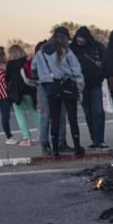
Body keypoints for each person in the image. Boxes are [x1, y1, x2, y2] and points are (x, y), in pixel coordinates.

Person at [34, 27, 85, 156]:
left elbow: (33, 68)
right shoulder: (67, 52)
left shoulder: (41, 53)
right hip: (67, 87)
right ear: (65, 39)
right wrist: (79, 89)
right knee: (71, 118)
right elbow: (77, 71)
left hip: (49, 88)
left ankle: (54, 149)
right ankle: (77, 147)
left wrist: (41, 81)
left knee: (53, 118)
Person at [70, 27, 108, 148]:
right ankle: (94, 139)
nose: (79, 41)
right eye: (78, 38)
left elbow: (105, 62)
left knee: (98, 112)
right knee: (88, 113)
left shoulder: (97, 47)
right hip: (81, 86)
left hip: (95, 84)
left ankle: (99, 140)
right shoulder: (72, 49)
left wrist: (102, 71)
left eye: (82, 38)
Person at [5, 44, 37, 147]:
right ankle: (44, 135)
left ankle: (27, 139)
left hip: (16, 93)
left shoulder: (10, 64)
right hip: (29, 90)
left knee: (20, 115)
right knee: (34, 112)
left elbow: (7, 78)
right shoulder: (27, 61)